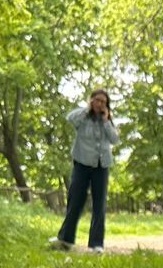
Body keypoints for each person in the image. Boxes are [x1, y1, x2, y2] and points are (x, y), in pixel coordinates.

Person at [49, 89, 118, 254]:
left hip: (101, 166)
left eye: (103, 102)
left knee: (99, 205)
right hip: (82, 164)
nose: (100, 104)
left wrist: (106, 120)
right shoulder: (82, 117)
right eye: (97, 100)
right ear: (91, 100)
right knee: (75, 201)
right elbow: (70, 118)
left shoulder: (107, 121)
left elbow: (114, 139)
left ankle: (96, 244)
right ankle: (65, 239)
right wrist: (87, 109)